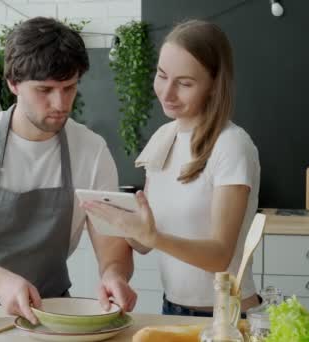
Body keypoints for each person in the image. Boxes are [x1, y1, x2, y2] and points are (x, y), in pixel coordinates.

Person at [0, 17, 137, 324]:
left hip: (50, 313)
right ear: (13, 83)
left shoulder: (91, 151)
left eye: (69, 87)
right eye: (44, 89)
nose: (60, 103)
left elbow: (112, 245)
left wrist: (114, 275)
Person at [81, 19, 261, 316]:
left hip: (226, 316)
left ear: (214, 86)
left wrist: (154, 238)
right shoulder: (164, 138)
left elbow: (220, 255)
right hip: (171, 309)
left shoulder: (232, 145)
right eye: (162, 76)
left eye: (185, 83)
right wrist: (119, 222)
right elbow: (144, 244)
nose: (166, 93)